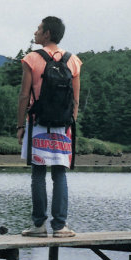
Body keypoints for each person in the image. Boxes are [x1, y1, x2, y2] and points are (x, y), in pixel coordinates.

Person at [15, 16, 82, 237]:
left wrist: (20, 125)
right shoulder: (73, 61)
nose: (35, 32)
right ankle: (60, 226)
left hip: (37, 123)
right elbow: (75, 100)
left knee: (38, 174)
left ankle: (38, 225)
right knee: (60, 174)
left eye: (38, 29)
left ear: (47, 34)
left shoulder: (31, 59)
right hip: (63, 126)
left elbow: (24, 95)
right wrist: (70, 123)